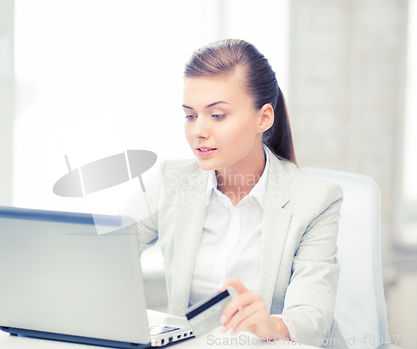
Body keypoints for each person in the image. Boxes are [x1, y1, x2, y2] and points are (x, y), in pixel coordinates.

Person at [119, 39, 346, 349]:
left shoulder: (315, 199)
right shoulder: (170, 181)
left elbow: (312, 318)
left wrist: (271, 324)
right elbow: (106, 252)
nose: (198, 130)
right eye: (190, 115)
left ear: (263, 118)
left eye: (217, 115)